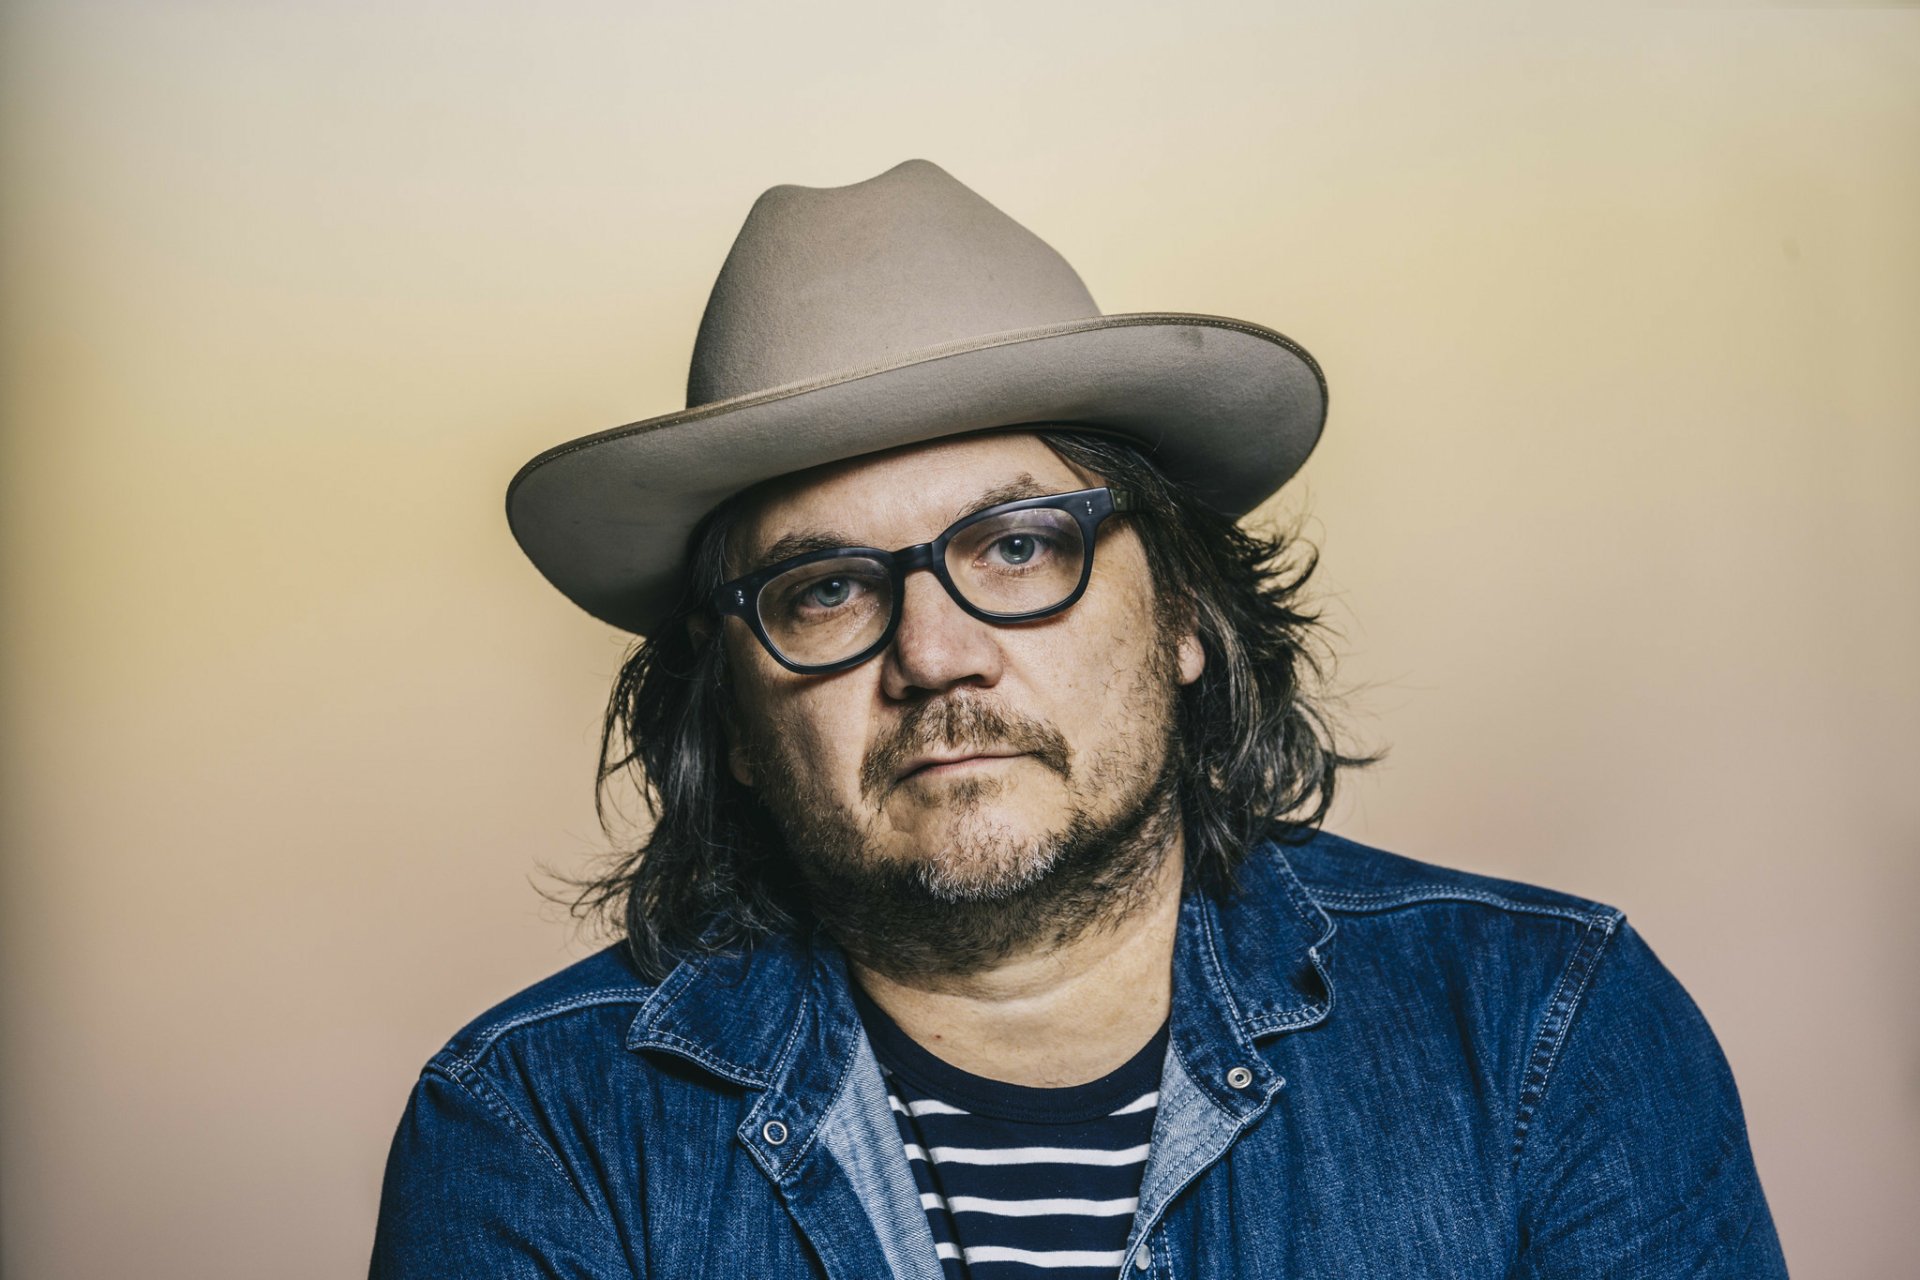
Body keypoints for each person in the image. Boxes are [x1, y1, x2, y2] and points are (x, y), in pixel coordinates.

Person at [369, 159, 1789, 1278]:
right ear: (731, 715)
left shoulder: (1544, 1031)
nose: (936, 657)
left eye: (1017, 547)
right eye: (825, 590)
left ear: (1183, 614)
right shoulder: (533, 1127)